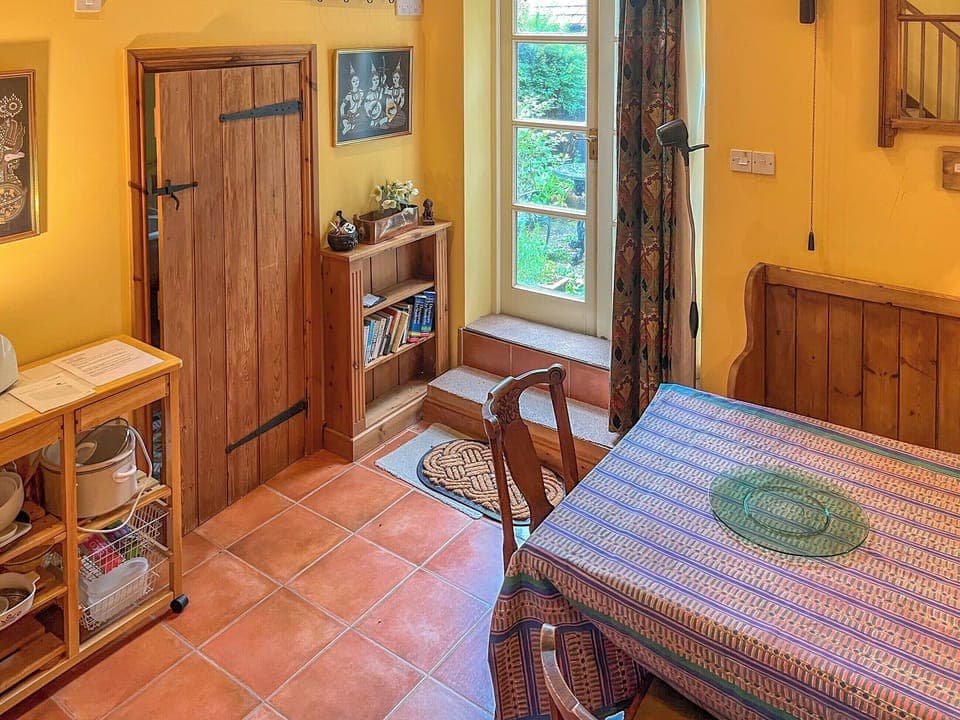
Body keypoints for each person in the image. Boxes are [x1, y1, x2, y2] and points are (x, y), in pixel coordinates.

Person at [339, 65, 363, 136]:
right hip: (350, 115)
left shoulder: (361, 92)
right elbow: (342, 107)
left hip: (358, 114)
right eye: (353, 81)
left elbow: (361, 104)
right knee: (347, 126)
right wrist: (343, 117)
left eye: (357, 80)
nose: (356, 82)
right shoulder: (349, 95)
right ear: (351, 83)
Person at [384, 60, 407, 128]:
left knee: (400, 120)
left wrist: (397, 109)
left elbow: (402, 101)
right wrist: (390, 109)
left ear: (400, 78)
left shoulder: (401, 89)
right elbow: (387, 101)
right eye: (394, 77)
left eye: (397, 77)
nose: (395, 79)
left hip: (398, 110)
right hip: (390, 109)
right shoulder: (390, 89)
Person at [364, 62, 387, 128]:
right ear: (371, 81)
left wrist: (384, 81)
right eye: (374, 80)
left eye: (377, 79)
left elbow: (385, 91)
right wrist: (369, 113)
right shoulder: (369, 92)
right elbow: (366, 105)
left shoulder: (380, 89)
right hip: (372, 112)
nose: (376, 81)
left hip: (380, 111)